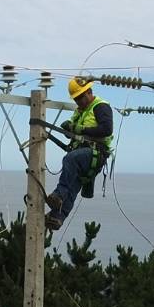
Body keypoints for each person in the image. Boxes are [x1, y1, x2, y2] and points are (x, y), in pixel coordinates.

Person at [45, 77, 113, 230]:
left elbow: (106, 129)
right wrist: (69, 129)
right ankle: (57, 216)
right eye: (76, 99)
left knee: (70, 159)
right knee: (73, 185)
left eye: (81, 97)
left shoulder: (100, 107)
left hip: (95, 152)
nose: (79, 101)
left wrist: (79, 130)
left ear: (89, 92)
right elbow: (74, 134)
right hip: (83, 152)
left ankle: (58, 195)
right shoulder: (80, 111)